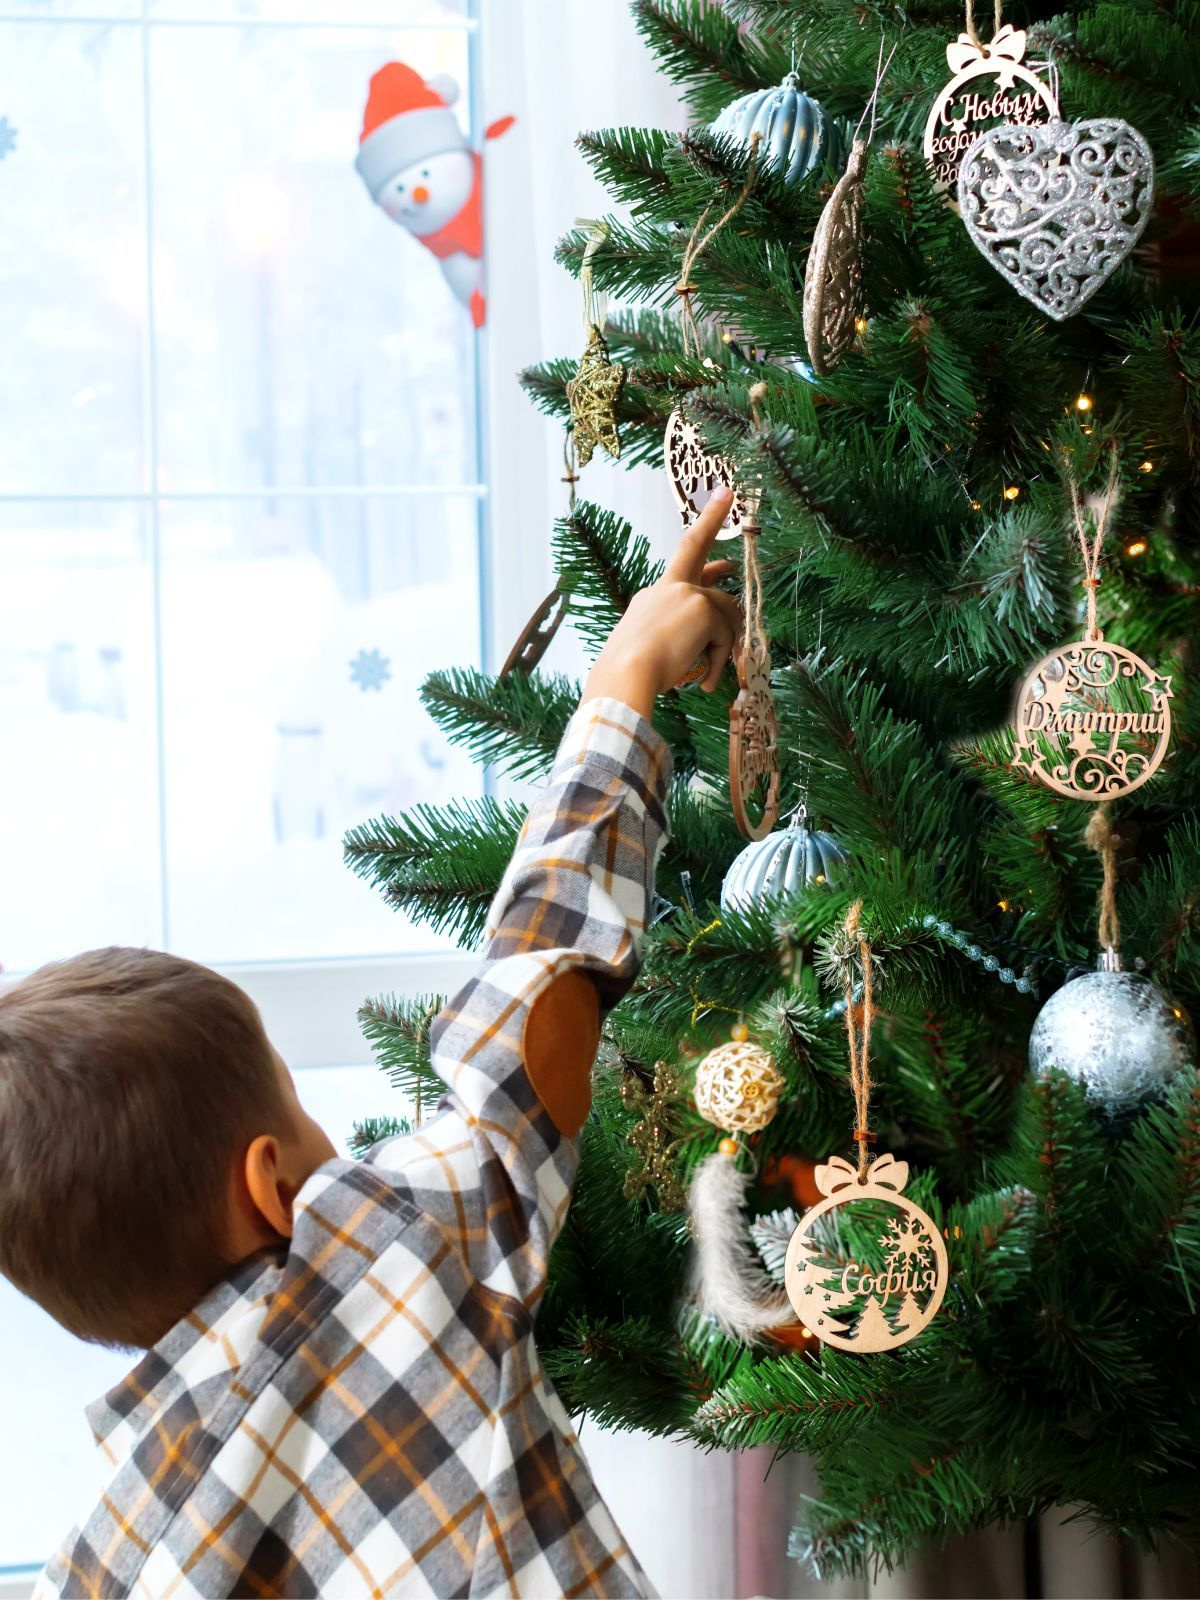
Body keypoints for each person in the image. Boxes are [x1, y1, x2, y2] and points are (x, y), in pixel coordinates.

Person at [4, 488, 742, 1599]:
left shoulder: (106, 1563)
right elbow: (531, 993)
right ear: (271, 1185)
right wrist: (624, 682)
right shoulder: (384, 1258)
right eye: (304, 1114)